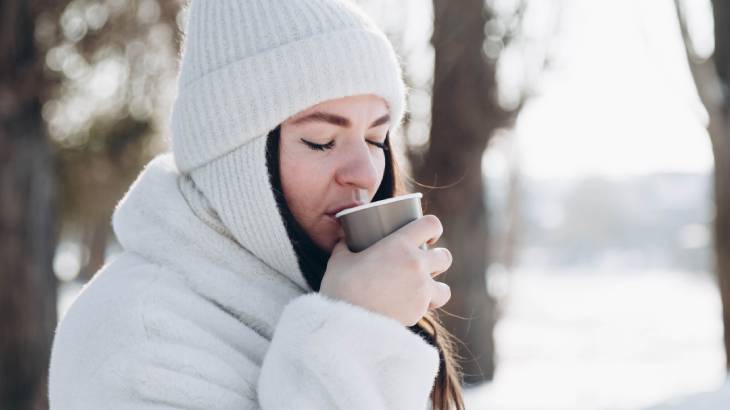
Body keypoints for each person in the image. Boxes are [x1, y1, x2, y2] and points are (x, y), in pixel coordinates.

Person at [48, 1, 465, 409]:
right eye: (321, 140)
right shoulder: (134, 339)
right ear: (235, 158)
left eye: (376, 139)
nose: (365, 173)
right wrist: (352, 337)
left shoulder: (330, 281)